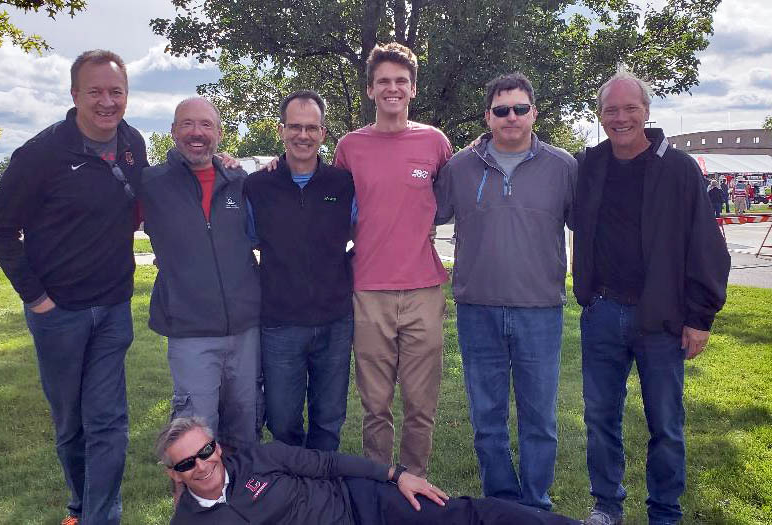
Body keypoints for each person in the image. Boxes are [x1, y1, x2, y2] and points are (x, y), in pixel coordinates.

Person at [0, 49, 147, 525]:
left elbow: (153, 192)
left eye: (115, 91)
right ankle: (79, 506)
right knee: (71, 427)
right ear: (74, 94)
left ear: (127, 96)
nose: (106, 102)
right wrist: (37, 299)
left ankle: (101, 518)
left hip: (114, 308)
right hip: (58, 316)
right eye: (95, 91)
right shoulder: (41, 154)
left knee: (109, 423)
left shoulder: (133, 143)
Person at [573, 69, 730, 525]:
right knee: (601, 419)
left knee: (666, 424)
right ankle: (606, 506)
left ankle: (664, 511)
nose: (620, 118)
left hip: (662, 318)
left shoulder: (678, 168)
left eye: (630, 109)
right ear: (600, 115)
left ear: (646, 111)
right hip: (602, 311)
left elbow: (706, 246)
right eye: (611, 110)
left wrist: (699, 317)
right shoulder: (590, 167)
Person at [434, 73, 577, 511]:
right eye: (501, 110)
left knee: (540, 420)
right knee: (487, 420)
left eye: (519, 108)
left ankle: (535, 505)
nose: (511, 116)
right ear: (488, 117)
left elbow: (593, 228)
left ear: (534, 112)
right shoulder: (459, 167)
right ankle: (502, 505)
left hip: (540, 311)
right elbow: (418, 213)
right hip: (478, 311)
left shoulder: (563, 166)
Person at [333, 42, 453, 478]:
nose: (392, 88)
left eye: (401, 81)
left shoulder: (435, 143)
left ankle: (416, 480)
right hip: (368, 290)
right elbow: (330, 203)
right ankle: (378, 483)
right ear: (370, 90)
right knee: (375, 405)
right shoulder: (350, 147)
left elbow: (454, 191)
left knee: (421, 405)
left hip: (423, 289)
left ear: (413, 89)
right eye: (383, 80)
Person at [128, 97, 261, 449]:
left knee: (246, 420)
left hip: (246, 328)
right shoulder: (151, 183)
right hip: (190, 330)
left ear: (219, 133)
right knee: (196, 428)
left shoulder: (238, 180)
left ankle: (246, 499)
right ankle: (193, 500)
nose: (196, 133)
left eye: (206, 125)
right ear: (173, 131)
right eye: (187, 124)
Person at [156, 417, 580, 525]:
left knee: (461, 515)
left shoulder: (258, 459)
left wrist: (397, 476)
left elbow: (327, 463)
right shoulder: (190, 521)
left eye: (206, 450)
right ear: (175, 474)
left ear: (218, 447)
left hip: (364, 504)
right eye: (187, 462)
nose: (203, 464)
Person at [244, 90, 355, 451]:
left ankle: (324, 496)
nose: (303, 135)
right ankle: (292, 493)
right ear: (281, 131)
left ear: (324, 133)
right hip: (280, 323)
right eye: (295, 127)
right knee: (282, 418)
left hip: (335, 321)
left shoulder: (344, 184)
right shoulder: (258, 186)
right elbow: (248, 241)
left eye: (311, 127)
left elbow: (364, 234)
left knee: (328, 418)